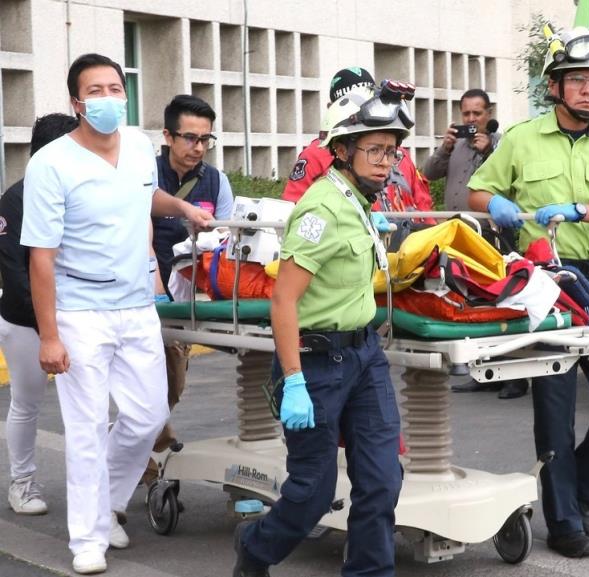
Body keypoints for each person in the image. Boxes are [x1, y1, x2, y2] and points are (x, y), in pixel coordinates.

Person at [20, 53, 213, 575]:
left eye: (115, 87)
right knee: (84, 427)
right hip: (79, 311)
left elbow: (144, 196)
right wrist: (50, 336)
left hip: (135, 308)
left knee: (148, 416)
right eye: (96, 91)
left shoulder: (134, 149)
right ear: (77, 103)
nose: (108, 98)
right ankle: (90, 534)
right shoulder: (51, 163)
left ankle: (104, 500)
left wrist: (185, 208)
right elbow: (40, 255)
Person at [467, 26, 589, 558]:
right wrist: (493, 205)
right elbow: (482, 190)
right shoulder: (522, 139)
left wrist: (578, 211)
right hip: (542, 286)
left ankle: (584, 492)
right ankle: (565, 518)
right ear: (555, 86)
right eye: (579, 81)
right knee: (554, 409)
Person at [232, 83, 406, 577]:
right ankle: (256, 547)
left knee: (382, 480)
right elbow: (283, 298)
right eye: (373, 149)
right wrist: (294, 382)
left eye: (391, 151)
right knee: (313, 491)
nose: (384, 161)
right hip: (315, 362)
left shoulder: (358, 203)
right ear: (343, 151)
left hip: (364, 355)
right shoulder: (321, 210)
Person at [142, 94, 235, 486]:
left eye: (205, 140)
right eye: (190, 138)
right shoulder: (145, 175)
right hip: (140, 298)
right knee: (145, 389)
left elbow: (231, 240)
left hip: (184, 306)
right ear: (167, 136)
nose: (198, 147)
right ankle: (143, 460)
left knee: (171, 384)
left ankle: (142, 445)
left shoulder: (216, 182)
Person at [421, 89, 527, 398]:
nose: (470, 120)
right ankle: (483, 372)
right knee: (469, 299)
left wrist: (489, 150)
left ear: (489, 114)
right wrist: (445, 148)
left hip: (490, 231)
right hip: (458, 231)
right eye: (465, 114)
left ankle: (514, 376)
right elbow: (428, 173)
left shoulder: (502, 145)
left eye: (476, 114)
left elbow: (507, 182)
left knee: (500, 299)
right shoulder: (457, 145)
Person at [1, 113, 79, 516]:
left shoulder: (76, 191)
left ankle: (98, 485)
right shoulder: (14, 200)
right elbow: (16, 275)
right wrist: (50, 328)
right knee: (27, 401)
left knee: (89, 406)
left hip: (76, 316)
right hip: (25, 322)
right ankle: (23, 483)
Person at [282, 66, 433, 221]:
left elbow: (424, 207)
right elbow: (294, 210)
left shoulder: (400, 153)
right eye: (374, 150)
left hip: (405, 241)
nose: (385, 161)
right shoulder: (315, 154)